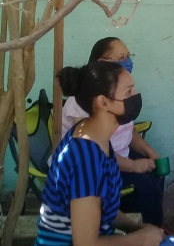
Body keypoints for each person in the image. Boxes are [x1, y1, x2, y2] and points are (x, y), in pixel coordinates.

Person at [35, 61, 165, 245]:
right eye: (128, 92)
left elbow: (103, 206)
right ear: (103, 102)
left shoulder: (95, 136)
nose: (135, 96)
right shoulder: (85, 159)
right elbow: (85, 243)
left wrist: (136, 228)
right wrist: (141, 239)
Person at [62, 37, 164, 226]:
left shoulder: (117, 92)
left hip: (115, 157)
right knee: (146, 184)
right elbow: (95, 153)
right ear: (102, 62)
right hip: (94, 168)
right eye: (121, 57)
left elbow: (128, 132)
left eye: (129, 56)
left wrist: (150, 152)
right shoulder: (83, 103)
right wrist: (133, 166)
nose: (128, 61)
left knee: (156, 171)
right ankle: (148, 230)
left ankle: (147, 227)